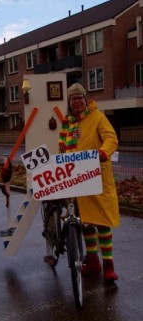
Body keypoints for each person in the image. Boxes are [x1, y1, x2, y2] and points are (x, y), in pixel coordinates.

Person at [59, 83, 120, 283]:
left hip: (97, 178)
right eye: (73, 99)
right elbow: (63, 150)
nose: (77, 102)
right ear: (69, 103)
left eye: (80, 98)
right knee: (85, 222)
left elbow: (111, 138)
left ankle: (108, 265)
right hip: (77, 180)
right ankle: (93, 261)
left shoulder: (98, 117)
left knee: (101, 222)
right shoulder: (67, 123)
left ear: (86, 100)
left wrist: (103, 152)